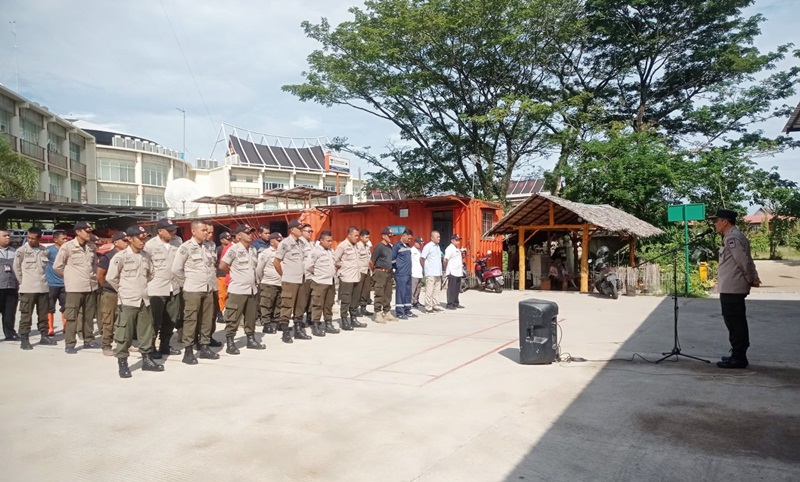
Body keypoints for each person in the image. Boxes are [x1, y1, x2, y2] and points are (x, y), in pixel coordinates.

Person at [106, 225, 163, 378]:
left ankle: (146, 360)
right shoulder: (121, 257)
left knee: (146, 332)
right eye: (140, 237)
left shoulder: (146, 255)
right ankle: (123, 363)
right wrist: (125, 289)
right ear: (130, 239)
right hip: (128, 301)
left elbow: (151, 274)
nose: (143, 241)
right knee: (124, 333)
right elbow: (111, 278)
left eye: (145, 238)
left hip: (144, 299)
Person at [710, 209, 760, 369]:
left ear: (725, 221)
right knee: (733, 321)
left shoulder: (733, 238)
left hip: (733, 287)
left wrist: (750, 278)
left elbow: (743, 261)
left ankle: (739, 357)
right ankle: (737, 354)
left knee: (735, 322)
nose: (715, 224)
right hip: (731, 286)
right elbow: (748, 260)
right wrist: (753, 276)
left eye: (717, 220)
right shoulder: (733, 236)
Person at [172, 220, 219, 364]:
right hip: (193, 289)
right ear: (193, 231)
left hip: (208, 288)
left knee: (207, 319)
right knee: (191, 320)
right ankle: (188, 350)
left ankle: (204, 346)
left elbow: (212, 266)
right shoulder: (185, 247)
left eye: (207, 230)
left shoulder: (210, 246)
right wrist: (185, 284)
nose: (206, 233)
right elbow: (176, 269)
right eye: (203, 230)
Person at [219, 224, 266, 353]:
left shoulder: (253, 250)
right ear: (239, 236)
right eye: (247, 233)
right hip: (238, 289)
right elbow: (223, 266)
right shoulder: (233, 250)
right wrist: (235, 273)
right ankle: (230, 342)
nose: (250, 235)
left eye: (251, 232)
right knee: (233, 317)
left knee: (251, 316)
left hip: (252, 289)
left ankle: (250, 339)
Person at [53, 221, 98, 354]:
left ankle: (88, 340)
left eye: (90, 231)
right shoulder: (67, 246)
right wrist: (69, 277)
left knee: (89, 316)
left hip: (90, 286)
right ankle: (70, 343)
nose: (89, 234)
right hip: (75, 288)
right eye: (87, 231)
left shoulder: (91, 246)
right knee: (72, 316)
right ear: (78, 232)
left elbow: (94, 264)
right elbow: (57, 266)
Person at [144, 218, 183, 359]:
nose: (173, 232)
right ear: (160, 231)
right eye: (169, 230)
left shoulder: (178, 242)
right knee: (154, 320)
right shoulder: (150, 245)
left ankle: (165, 345)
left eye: (174, 229)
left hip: (174, 286)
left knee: (171, 319)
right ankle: (151, 347)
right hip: (156, 288)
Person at [14, 227, 55, 349]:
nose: (30, 240)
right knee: (26, 315)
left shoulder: (44, 250)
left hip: (43, 288)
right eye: (28, 238)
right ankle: (24, 339)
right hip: (28, 289)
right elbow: (16, 268)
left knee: (43, 315)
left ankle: (44, 336)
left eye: (33, 238)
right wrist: (22, 282)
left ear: (39, 238)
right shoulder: (22, 251)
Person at [274, 219, 310, 343]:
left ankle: (298, 330)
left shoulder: (301, 243)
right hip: (290, 280)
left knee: (300, 306)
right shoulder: (285, 243)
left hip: (301, 279)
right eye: (299, 229)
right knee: (287, 306)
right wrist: (283, 275)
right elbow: (276, 261)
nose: (301, 231)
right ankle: (285, 332)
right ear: (292, 230)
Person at [96, 231, 128, 356]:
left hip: (125, 292)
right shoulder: (108, 257)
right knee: (108, 320)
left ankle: (124, 343)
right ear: (116, 242)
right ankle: (106, 345)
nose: (127, 243)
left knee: (124, 320)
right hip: (111, 293)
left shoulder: (128, 255)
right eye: (124, 241)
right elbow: (100, 276)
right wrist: (109, 287)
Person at [334, 226, 366, 330]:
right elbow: (335, 260)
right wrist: (342, 268)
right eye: (355, 235)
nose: (357, 238)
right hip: (347, 278)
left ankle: (353, 319)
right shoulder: (342, 246)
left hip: (356, 277)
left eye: (358, 235)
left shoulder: (356, 246)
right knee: (346, 300)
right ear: (349, 235)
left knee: (355, 300)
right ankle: (344, 321)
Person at [305, 230, 337, 337]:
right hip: (320, 282)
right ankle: (315, 326)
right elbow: (309, 266)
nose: (330, 243)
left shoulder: (330, 251)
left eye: (331, 240)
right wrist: (318, 274)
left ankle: (328, 324)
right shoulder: (315, 251)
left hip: (330, 282)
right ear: (322, 240)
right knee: (317, 305)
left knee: (329, 304)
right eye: (328, 241)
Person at [256, 232, 283, 334]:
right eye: (278, 240)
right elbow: (259, 269)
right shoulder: (266, 253)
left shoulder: (283, 253)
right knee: (266, 304)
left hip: (280, 282)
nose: (281, 243)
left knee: (279, 303)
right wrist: (261, 279)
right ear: (272, 242)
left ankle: (278, 323)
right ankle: (266, 324)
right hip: (269, 282)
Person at [203, 221, 223, 347]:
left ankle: (209, 336)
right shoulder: (191, 246)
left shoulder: (212, 245)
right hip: (198, 286)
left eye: (211, 232)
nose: (209, 235)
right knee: (199, 315)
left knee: (212, 314)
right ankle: (198, 339)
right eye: (207, 232)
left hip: (212, 284)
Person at [370, 228, 397, 323]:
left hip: (388, 272)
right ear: (383, 236)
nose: (391, 238)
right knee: (379, 293)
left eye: (391, 236)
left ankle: (387, 312)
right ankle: (378, 313)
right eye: (389, 236)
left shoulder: (390, 247)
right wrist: (374, 271)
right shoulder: (379, 247)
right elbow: (372, 261)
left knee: (388, 293)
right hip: (380, 272)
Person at [45, 230, 67, 336]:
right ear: (55, 239)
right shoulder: (49, 251)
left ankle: (66, 327)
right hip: (51, 284)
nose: (65, 240)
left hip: (65, 284)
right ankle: (50, 328)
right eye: (63, 238)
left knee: (65, 306)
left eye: (66, 238)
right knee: (50, 307)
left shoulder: (67, 250)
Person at [0, 230, 20, 342]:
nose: (8, 238)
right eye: (5, 236)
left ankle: (10, 333)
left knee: (10, 312)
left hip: (11, 286)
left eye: (8, 236)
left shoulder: (15, 252)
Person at [392, 229, 415, 319]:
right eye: (408, 238)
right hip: (401, 273)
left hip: (408, 273)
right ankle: (400, 312)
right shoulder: (397, 246)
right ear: (404, 235)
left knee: (408, 293)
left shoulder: (408, 246)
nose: (409, 240)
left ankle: (407, 310)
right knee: (401, 293)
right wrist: (397, 268)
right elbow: (392, 259)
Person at [295, 223, 315, 326]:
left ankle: (310, 317)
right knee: (303, 298)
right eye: (308, 231)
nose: (310, 233)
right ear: (302, 232)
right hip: (304, 275)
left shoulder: (312, 243)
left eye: (311, 231)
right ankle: (299, 319)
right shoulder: (299, 243)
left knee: (312, 298)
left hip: (313, 275)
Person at [421, 231, 443, 313]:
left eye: (439, 237)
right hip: (430, 272)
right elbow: (422, 258)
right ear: (432, 237)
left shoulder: (437, 247)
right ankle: (428, 306)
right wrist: (426, 268)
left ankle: (435, 305)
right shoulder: (428, 246)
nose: (439, 238)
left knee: (437, 290)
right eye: (437, 237)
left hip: (438, 272)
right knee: (429, 290)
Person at [443, 234, 465, 310]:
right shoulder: (450, 248)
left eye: (459, 240)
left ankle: (455, 303)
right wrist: (446, 269)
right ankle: (449, 304)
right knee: (451, 289)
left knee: (456, 289)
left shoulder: (457, 249)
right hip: (452, 272)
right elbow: (445, 259)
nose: (458, 241)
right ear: (452, 240)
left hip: (458, 272)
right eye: (456, 240)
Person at [355, 229, 374, 317]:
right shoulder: (357, 246)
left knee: (366, 290)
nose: (368, 239)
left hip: (367, 270)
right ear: (361, 237)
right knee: (358, 290)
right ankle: (355, 309)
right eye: (366, 237)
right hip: (360, 271)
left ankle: (363, 308)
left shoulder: (367, 246)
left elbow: (368, 259)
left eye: (368, 237)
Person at [215, 231, 232, 323]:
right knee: (221, 295)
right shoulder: (218, 249)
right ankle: (220, 313)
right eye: (227, 238)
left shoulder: (233, 248)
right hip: (221, 274)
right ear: (222, 240)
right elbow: (215, 262)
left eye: (230, 238)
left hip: (230, 274)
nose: (229, 240)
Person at [410, 236, 424, 309]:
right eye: (419, 243)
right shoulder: (412, 250)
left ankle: (416, 301)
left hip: (419, 272)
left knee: (418, 288)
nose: (420, 245)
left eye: (421, 243)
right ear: (415, 243)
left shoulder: (419, 251)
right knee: (413, 288)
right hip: (413, 272)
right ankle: (411, 302)